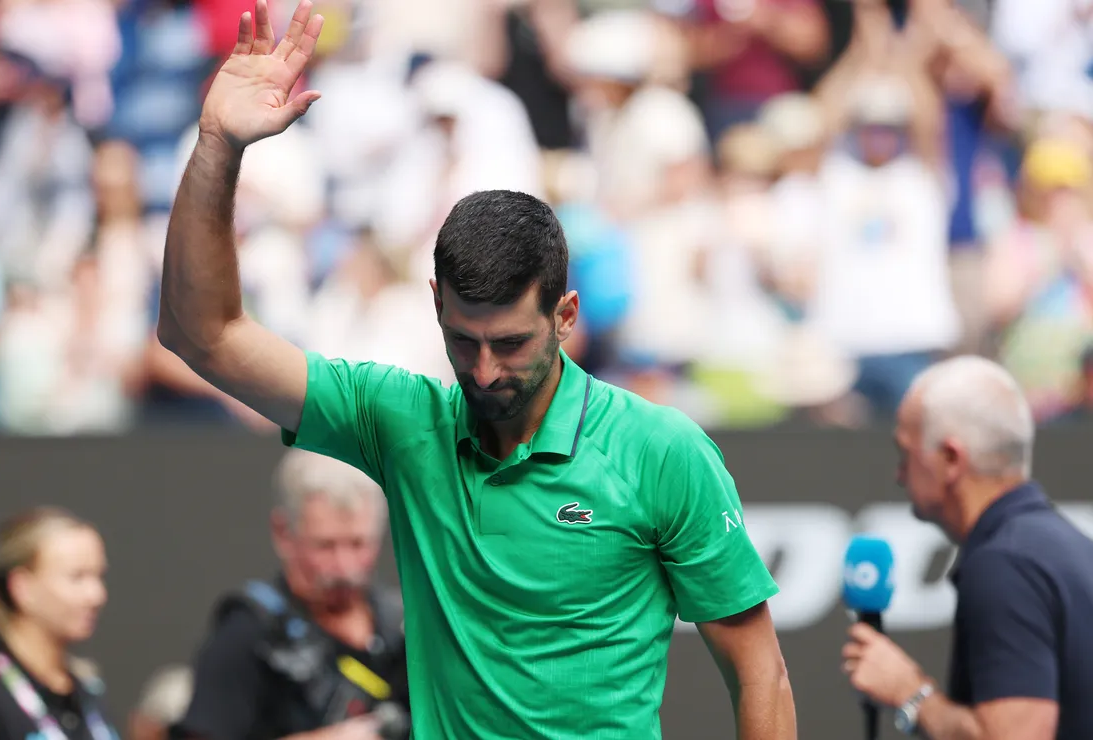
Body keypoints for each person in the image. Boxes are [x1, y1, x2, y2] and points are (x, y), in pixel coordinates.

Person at [157, 1, 796, 737]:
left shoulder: (662, 451)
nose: (485, 371)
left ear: (566, 315)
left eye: (512, 344)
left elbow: (761, 675)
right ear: (435, 303)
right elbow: (201, 334)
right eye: (463, 341)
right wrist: (217, 146)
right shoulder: (400, 420)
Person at [842, 356, 1093, 739]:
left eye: (905, 454)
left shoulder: (1005, 565)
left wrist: (910, 692)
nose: (898, 474)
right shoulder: (1065, 547)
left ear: (950, 459)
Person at [171, 449, 408, 740]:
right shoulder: (248, 633)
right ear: (283, 532)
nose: (345, 567)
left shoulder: (402, 626)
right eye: (325, 546)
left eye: (359, 544)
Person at [0, 507, 118, 740]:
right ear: (23, 588)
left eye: (99, 576)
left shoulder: (87, 692)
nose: (96, 595)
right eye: (77, 577)